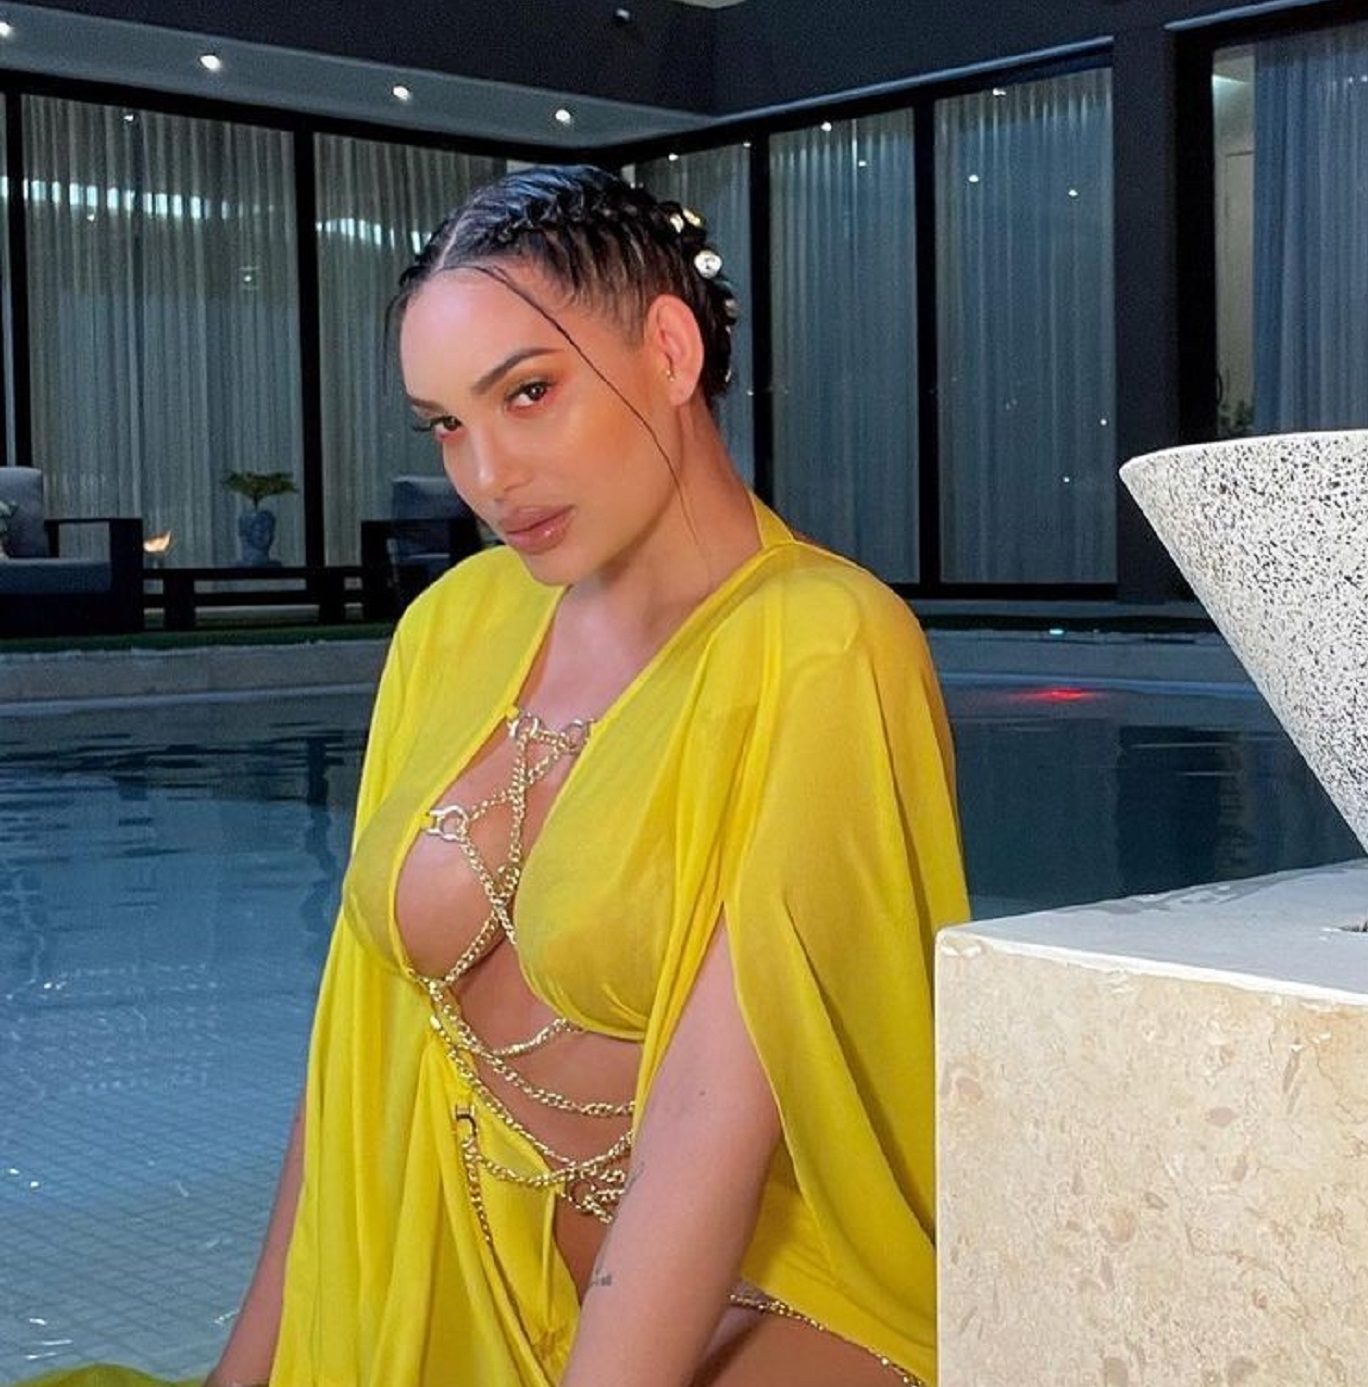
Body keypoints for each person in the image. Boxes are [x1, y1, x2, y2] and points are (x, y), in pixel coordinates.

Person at [28, 163, 970, 1387]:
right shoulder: (454, 625)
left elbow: (711, 1120)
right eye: (447, 425)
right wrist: (244, 1372)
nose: (487, 476)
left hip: (752, 1291)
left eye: (528, 393)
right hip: (439, 1260)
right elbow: (355, 1040)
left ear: (669, 351)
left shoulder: (822, 642)